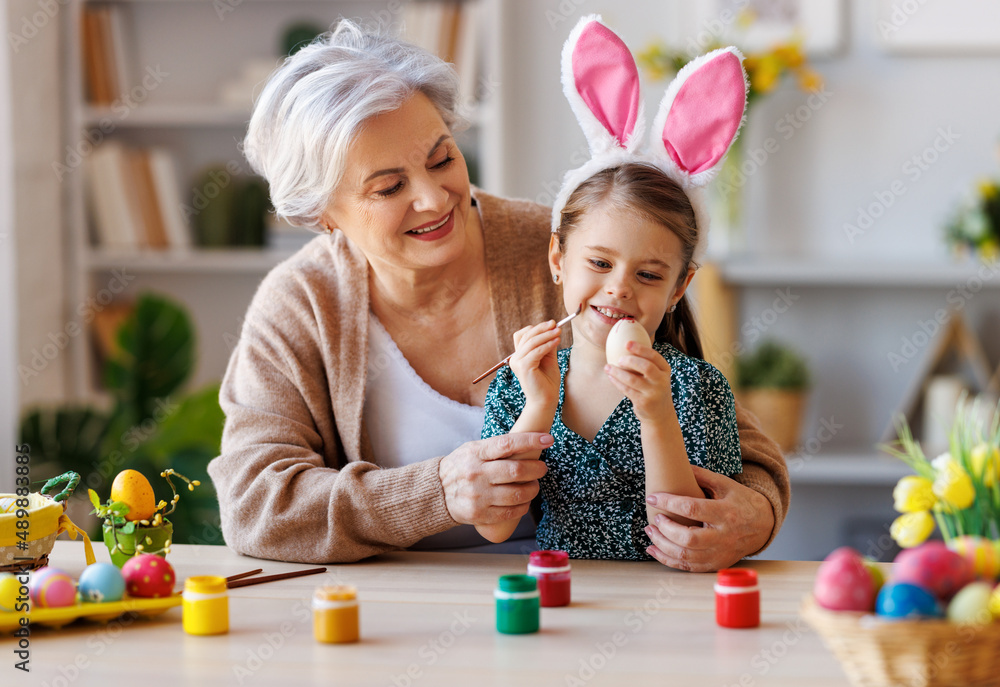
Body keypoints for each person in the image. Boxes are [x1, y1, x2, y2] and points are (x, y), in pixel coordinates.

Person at [207, 17, 790, 571]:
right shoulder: (300, 304)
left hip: (570, 595)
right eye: (388, 187)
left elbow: (739, 447)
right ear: (320, 214)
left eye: (443, 159)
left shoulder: (581, 256)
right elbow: (256, 504)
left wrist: (754, 515)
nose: (434, 199)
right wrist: (435, 492)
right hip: (391, 610)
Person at [476, 18, 749, 561]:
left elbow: (687, 535)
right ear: (559, 259)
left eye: (648, 275)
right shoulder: (516, 385)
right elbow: (496, 527)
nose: (619, 289)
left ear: (679, 287)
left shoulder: (698, 391)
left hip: (668, 617)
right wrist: (537, 405)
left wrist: (655, 413)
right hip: (556, 606)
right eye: (599, 262)